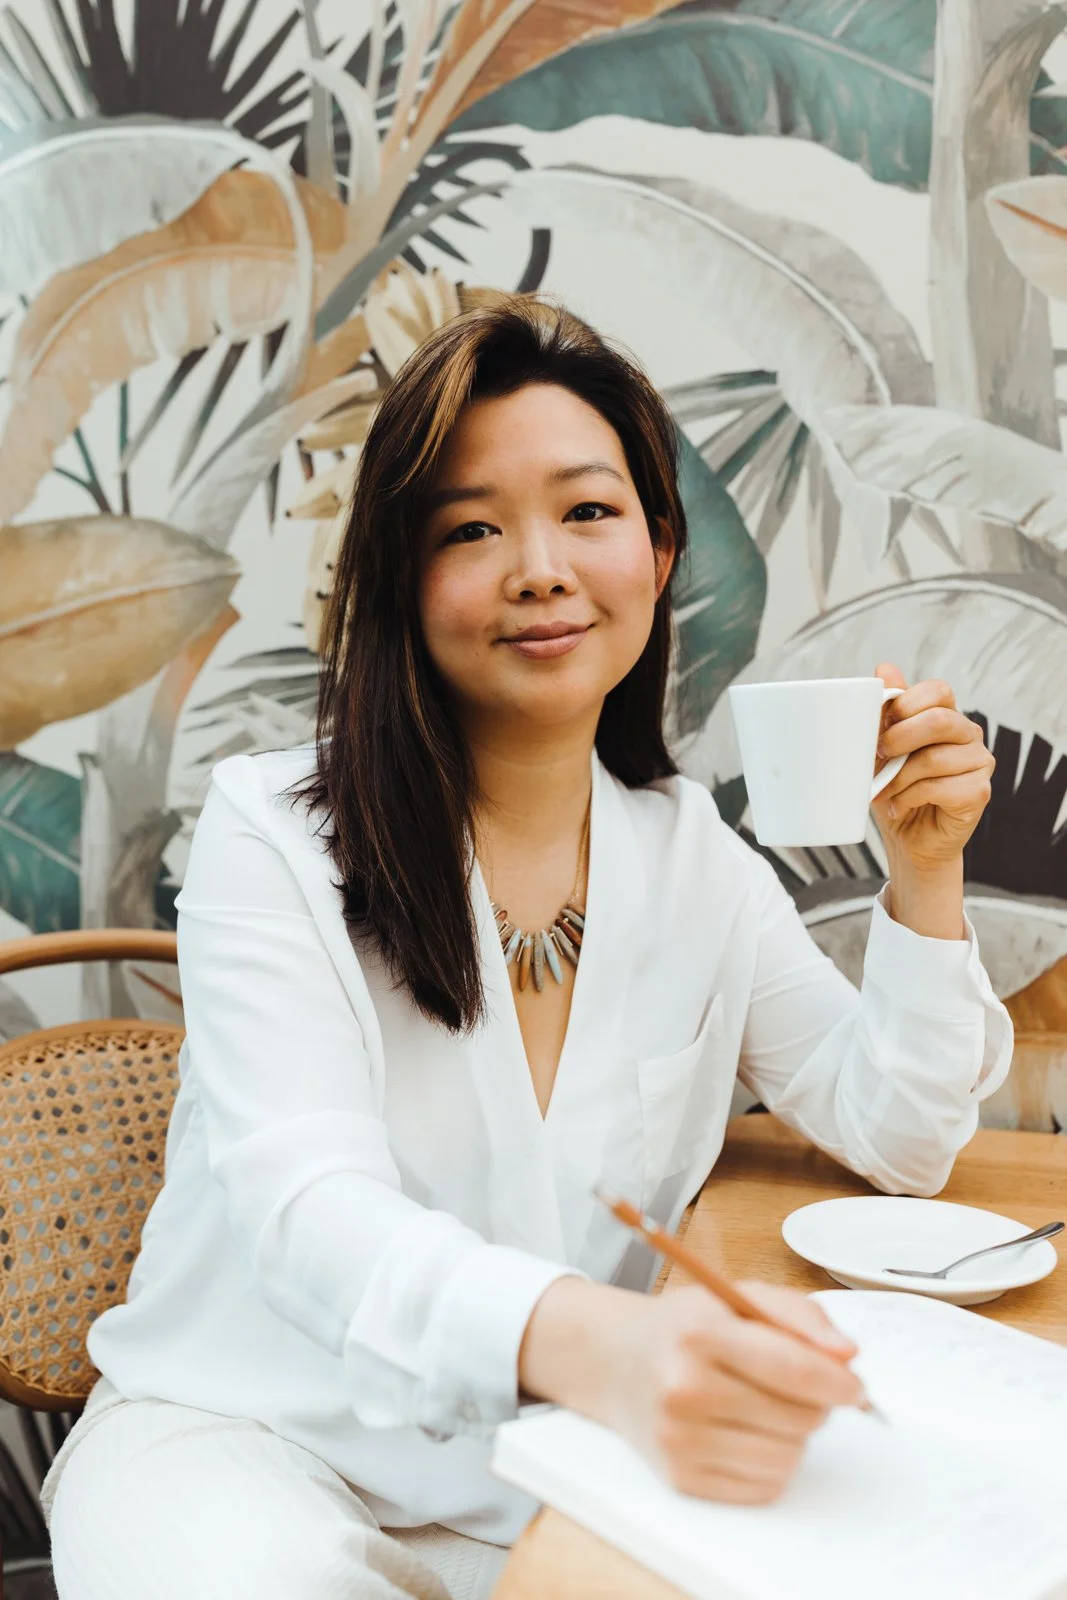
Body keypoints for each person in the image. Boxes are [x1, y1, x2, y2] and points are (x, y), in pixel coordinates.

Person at [42, 297, 1011, 1600]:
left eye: (588, 512)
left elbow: (899, 1136)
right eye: (471, 528)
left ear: (659, 554)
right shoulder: (268, 838)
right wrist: (612, 1349)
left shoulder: (695, 861)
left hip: (551, 1464)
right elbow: (310, 1218)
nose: (540, 567)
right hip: (246, 1450)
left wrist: (927, 869)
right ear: (399, 577)